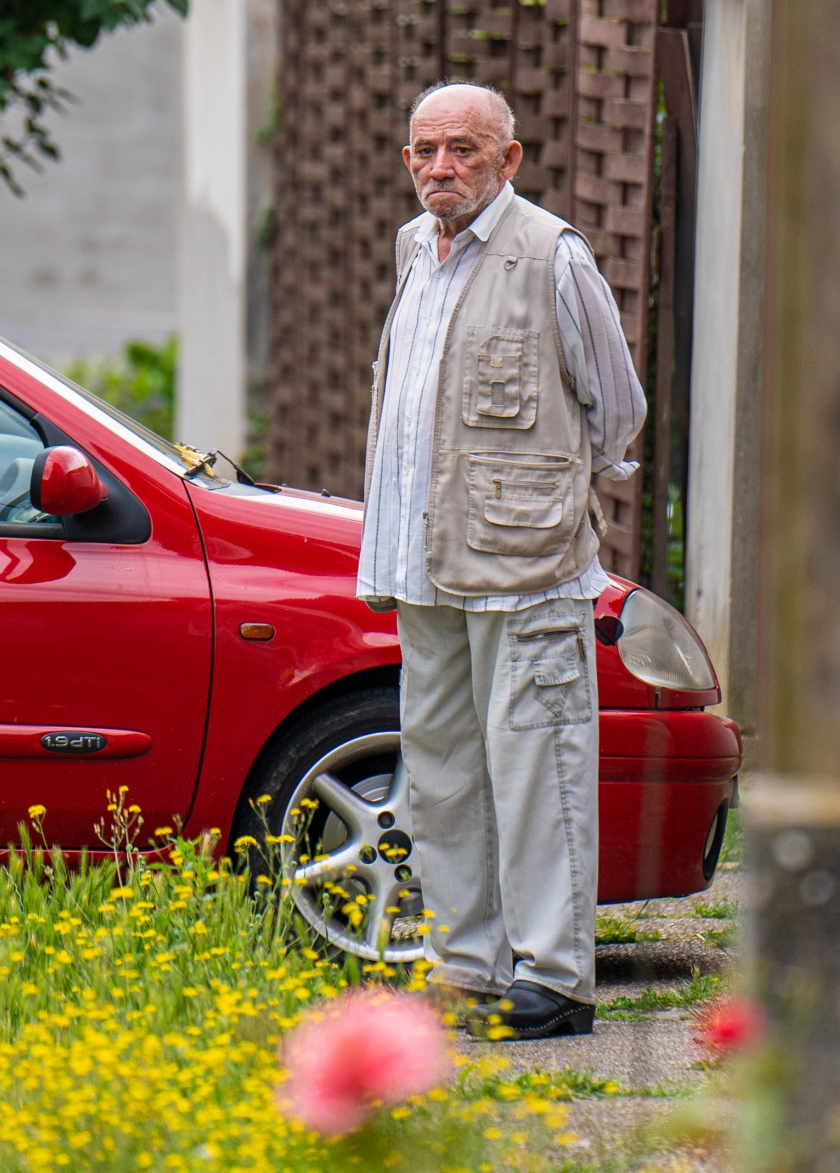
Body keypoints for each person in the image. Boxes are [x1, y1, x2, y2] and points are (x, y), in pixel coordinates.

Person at [357, 81, 645, 1040]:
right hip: (421, 560)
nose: (441, 167)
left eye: (464, 150)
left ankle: (555, 979)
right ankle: (466, 969)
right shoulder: (414, 248)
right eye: (425, 150)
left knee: (538, 767)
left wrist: (545, 498)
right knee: (440, 771)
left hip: (526, 566)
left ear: (508, 159)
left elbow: (618, 408)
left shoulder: (553, 255)